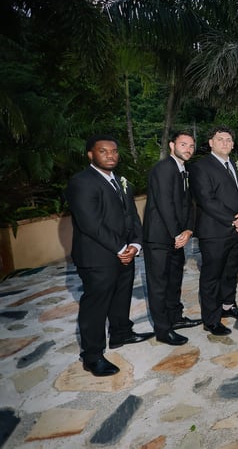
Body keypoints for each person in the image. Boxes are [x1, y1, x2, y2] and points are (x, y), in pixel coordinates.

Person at [65, 135, 153, 376]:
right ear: (91, 155)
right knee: (96, 305)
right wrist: (121, 248)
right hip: (97, 256)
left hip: (124, 252)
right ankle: (92, 356)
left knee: (121, 295)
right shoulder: (81, 182)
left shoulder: (122, 181)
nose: (111, 155)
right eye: (103, 151)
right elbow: (90, 223)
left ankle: (121, 333)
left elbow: (132, 216)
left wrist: (135, 243)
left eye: (114, 151)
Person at [189, 126, 238, 336]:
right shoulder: (201, 167)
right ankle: (211, 320)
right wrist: (235, 220)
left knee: (231, 272)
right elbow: (207, 200)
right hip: (215, 231)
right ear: (211, 143)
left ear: (233, 145)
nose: (225, 143)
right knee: (212, 276)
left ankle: (228, 306)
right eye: (220, 139)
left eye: (228, 140)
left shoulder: (236, 165)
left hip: (237, 230)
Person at [143, 130, 202, 345]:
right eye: (184, 144)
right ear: (171, 145)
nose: (188, 149)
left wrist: (188, 230)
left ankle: (176, 318)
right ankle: (163, 329)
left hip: (178, 237)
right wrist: (178, 233)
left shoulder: (183, 170)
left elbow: (188, 204)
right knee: (159, 285)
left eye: (191, 146)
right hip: (160, 237)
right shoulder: (163, 169)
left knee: (174, 281)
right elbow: (165, 204)